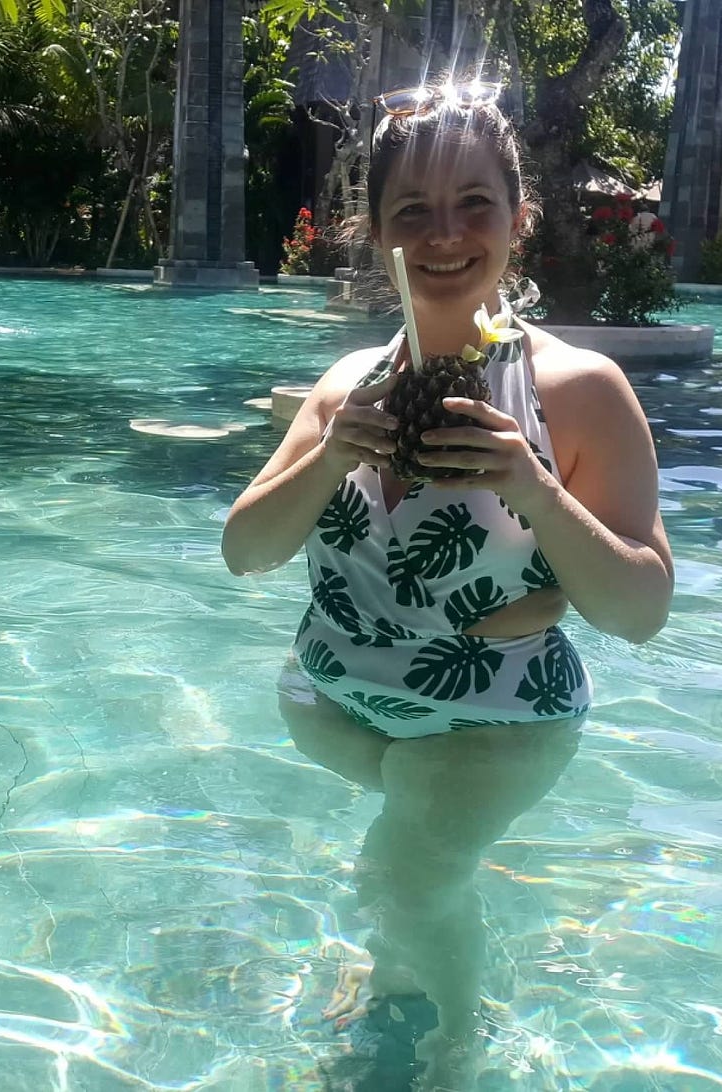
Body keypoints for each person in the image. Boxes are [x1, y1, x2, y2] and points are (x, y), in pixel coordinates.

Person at [222, 81, 674, 1091]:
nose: (444, 235)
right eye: (412, 211)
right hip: (340, 711)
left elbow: (641, 610)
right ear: (373, 231)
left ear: (520, 218)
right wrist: (331, 454)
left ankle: (457, 1046)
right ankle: (403, 967)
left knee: (400, 867)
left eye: (474, 203)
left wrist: (532, 486)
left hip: (495, 723)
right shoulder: (345, 388)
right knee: (416, 864)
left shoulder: (577, 392)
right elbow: (245, 552)